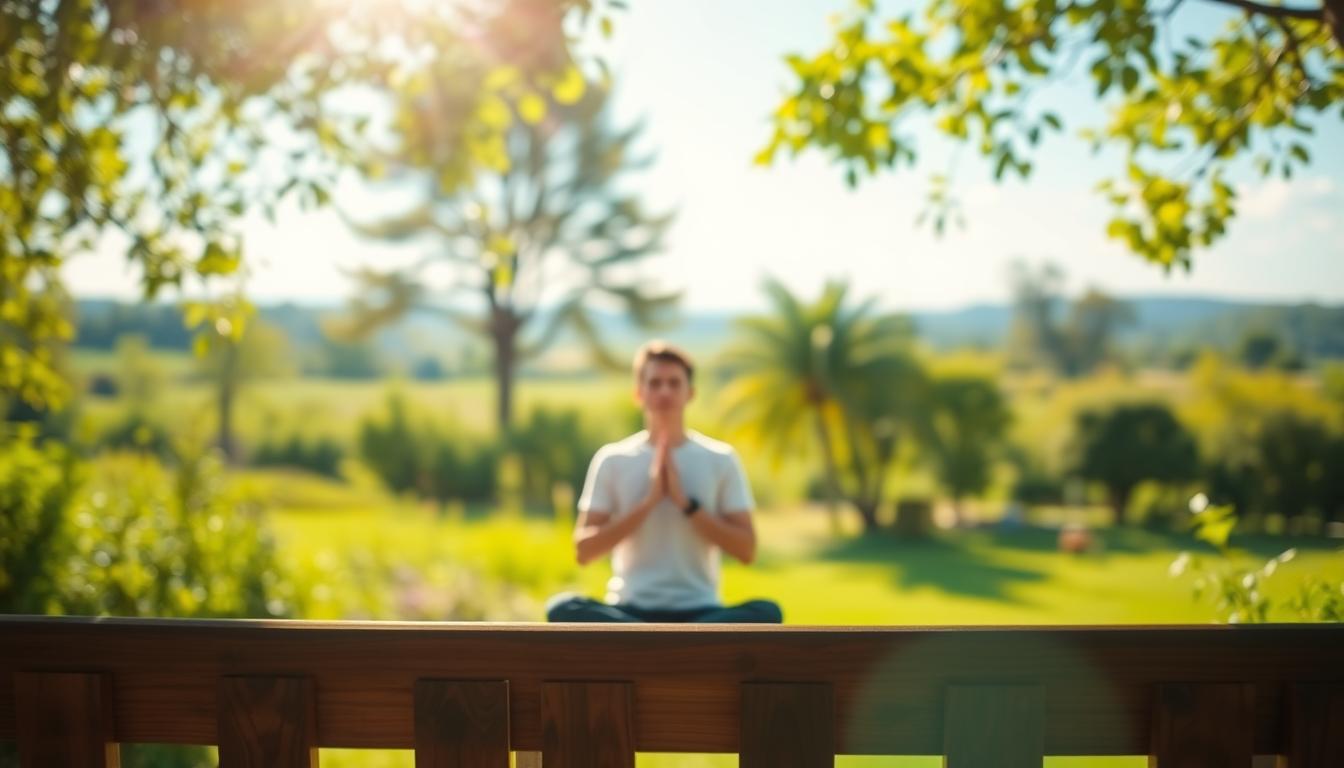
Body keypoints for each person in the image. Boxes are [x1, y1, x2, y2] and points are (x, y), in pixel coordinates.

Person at [545, 341, 783, 623]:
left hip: (701, 611)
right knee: (562, 607)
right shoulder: (613, 459)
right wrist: (649, 502)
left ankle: (652, 646)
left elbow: (746, 550)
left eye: (674, 383)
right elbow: (584, 551)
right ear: (639, 392)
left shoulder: (720, 459)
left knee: (767, 612)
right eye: (655, 383)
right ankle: (672, 647)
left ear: (690, 393)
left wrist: (686, 505)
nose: (664, 391)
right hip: (629, 610)